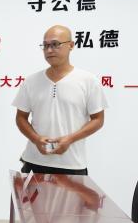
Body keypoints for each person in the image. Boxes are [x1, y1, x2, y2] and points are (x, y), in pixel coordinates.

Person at [13, 25, 106, 175]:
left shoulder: (88, 80)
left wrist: (70, 139)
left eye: (55, 44)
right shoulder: (31, 81)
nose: (49, 50)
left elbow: (98, 119)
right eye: (45, 45)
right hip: (33, 163)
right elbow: (20, 118)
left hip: (72, 165)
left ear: (71, 45)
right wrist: (36, 139)